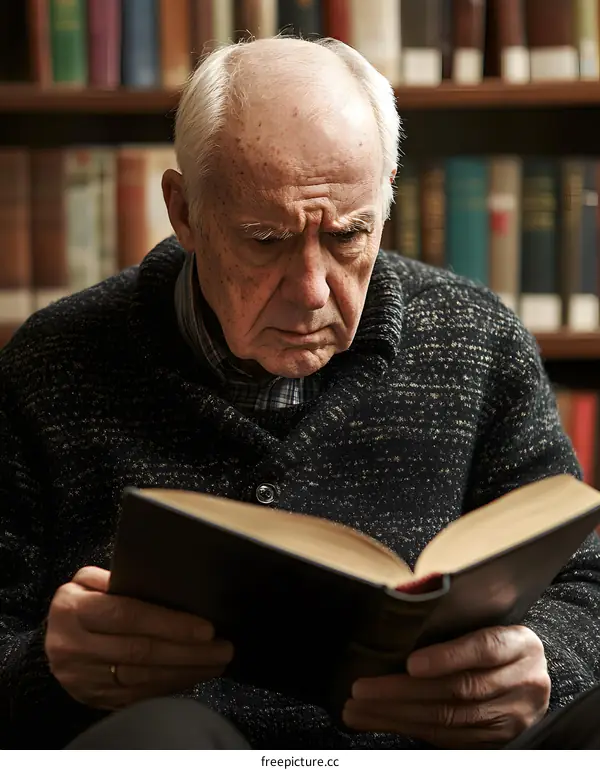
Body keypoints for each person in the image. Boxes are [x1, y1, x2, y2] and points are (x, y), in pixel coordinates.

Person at [1, 34, 600, 751]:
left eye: (348, 237)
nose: (312, 291)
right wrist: (48, 670)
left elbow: (586, 583)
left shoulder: (477, 341)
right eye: (265, 240)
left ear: (387, 200)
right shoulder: (52, 364)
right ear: (184, 211)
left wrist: (544, 659)